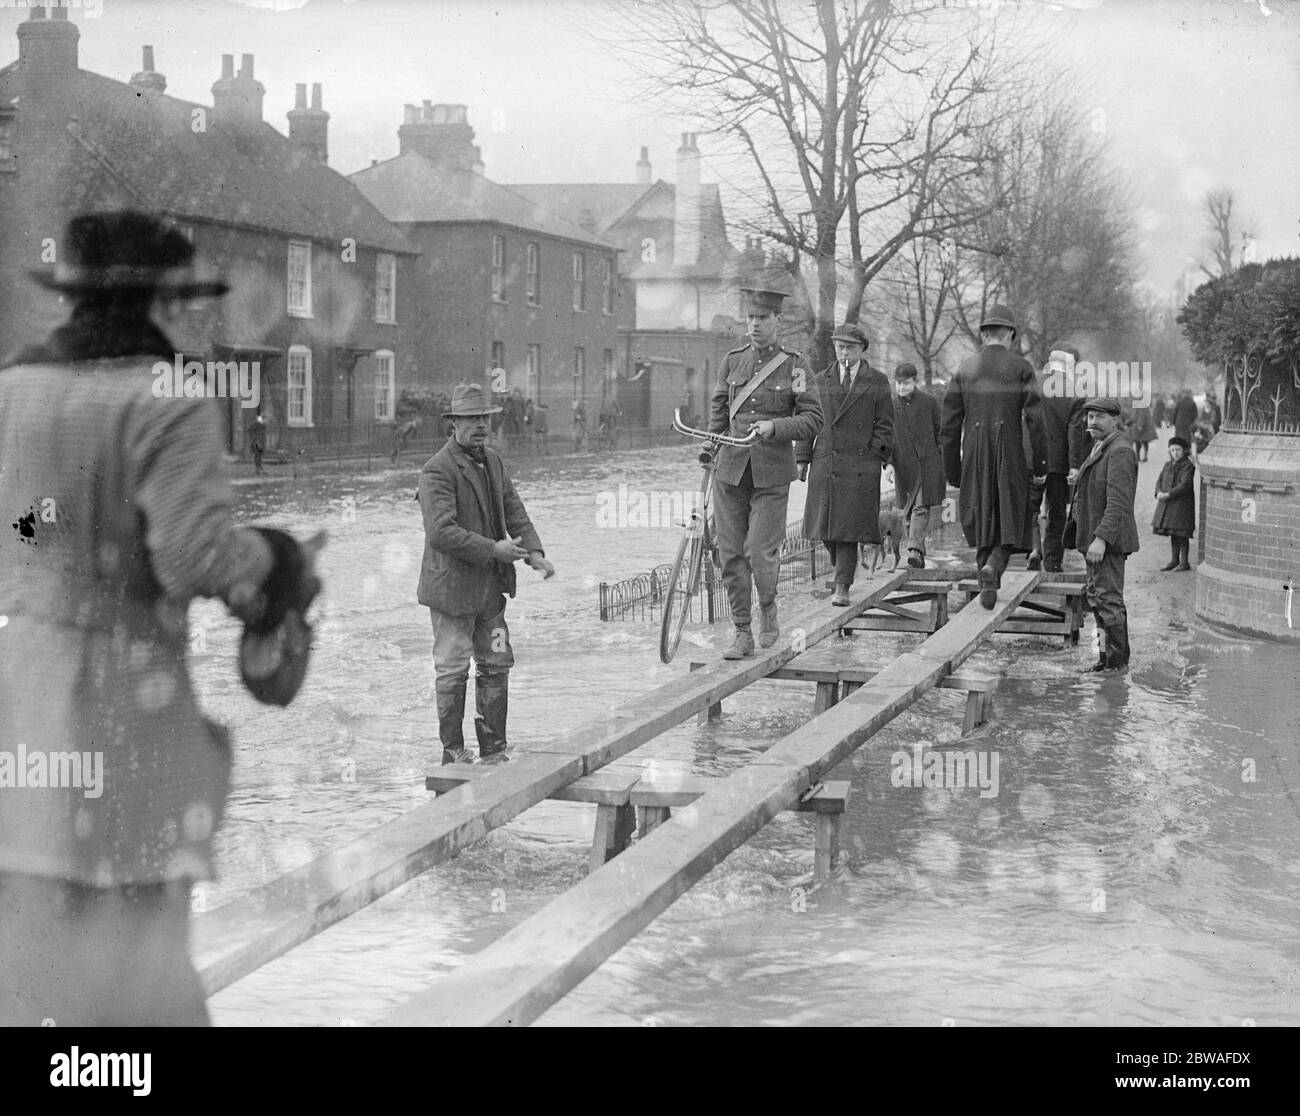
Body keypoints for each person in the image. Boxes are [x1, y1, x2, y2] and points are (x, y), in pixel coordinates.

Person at [0, 210, 321, 1025]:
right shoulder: (167, 397)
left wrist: (64, 539)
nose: (193, 323)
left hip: (20, 703)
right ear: (160, 304)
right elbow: (191, 556)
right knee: (139, 968)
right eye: (185, 306)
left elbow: (20, 526)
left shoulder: (15, 389)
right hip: (121, 715)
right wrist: (276, 559)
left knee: (32, 955)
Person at [417, 383, 555, 765]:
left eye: (484, 419)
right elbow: (441, 532)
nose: (480, 426)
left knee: (496, 662)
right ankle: (454, 753)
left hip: (491, 591)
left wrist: (535, 552)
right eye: (471, 419)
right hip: (452, 592)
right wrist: (493, 549)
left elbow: (514, 509)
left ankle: (494, 750)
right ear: (454, 424)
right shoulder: (436, 471)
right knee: (453, 668)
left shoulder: (493, 461)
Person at [709, 285, 822, 658]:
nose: (755, 324)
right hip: (730, 471)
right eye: (751, 318)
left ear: (777, 321)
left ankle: (768, 607)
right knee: (730, 555)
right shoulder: (731, 361)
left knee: (759, 552)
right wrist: (709, 445)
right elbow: (719, 414)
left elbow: (812, 418)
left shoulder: (795, 366)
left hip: (771, 474)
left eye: (763, 318)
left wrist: (777, 428)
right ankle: (742, 631)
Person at [940, 305, 1048, 608]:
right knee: (1009, 514)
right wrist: (1040, 463)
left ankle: (985, 576)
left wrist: (952, 470)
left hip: (973, 450)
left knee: (980, 512)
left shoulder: (964, 369)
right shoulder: (1022, 368)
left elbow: (948, 426)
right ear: (1010, 335)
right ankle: (993, 567)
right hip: (1009, 450)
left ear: (983, 335)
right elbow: (1036, 421)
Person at [796, 324, 893, 606]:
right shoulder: (820, 379)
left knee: (848, 529)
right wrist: (802, 458)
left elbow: (886, 425)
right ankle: (843, 569)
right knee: (824, 527)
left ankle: (843, 586)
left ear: (862, 348)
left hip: (861, 465)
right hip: (826, 460)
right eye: (839, 346)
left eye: (850, 347)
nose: (844, 352)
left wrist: (877, 457)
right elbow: (806, 419)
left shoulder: (877, 381)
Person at [1071, 397, 1140, 671]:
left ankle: (1118, 665)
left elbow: (1119, 503)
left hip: (1106, 543)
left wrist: (1100, 539)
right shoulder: (1100, 447)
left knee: (1109, 602)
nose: (1093, 423)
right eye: (1089, 417)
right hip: (1094, 542)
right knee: (1096, 600)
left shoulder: (1120, 451)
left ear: (1115, 420)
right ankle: (1103, 659)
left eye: (1100, 417)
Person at [1032, 348, 1087, 572]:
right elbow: (1075, 431)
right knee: (1057, 512)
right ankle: (1052, 561)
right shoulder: (1074, 391)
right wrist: (1074, 465)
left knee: (1030, 508)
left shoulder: (1033, 384)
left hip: (1033, 459)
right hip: (1059, 463)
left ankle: (1034, 549)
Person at [888, 362, 945, 570]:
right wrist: (889, 464)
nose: (901, 388)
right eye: (898, 384)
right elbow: (887, 438)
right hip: (904, 466)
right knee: (908, 510)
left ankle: (913, 550)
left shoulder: (929, 402)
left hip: (928, 464)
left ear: (916, 381)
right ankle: (917, 556)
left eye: (906, 383)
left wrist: (940, 460)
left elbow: (941, 432)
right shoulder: (891, 406)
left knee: (921, 506)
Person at [1152, 436, 1195, 572]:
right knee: (1173, 532)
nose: (1175, 453)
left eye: (1178, 450)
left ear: (1184, 451)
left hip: (1182, 505)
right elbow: (1159, 480)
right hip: (1169, 505)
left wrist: (1169, 494)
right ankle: (1174, 560)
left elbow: (1185, 485)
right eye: (1172, 450)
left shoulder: (1188, 466)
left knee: (1182, 533)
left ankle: (1184, 562)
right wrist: (1158, 492)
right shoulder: (1167, 465)